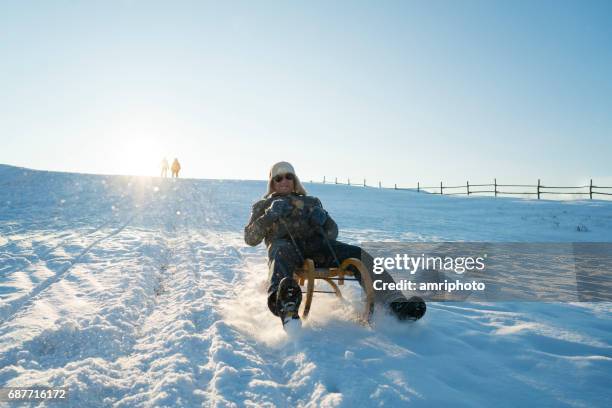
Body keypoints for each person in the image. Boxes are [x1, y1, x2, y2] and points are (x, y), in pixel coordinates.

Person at [244, 161, 426, 326]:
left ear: (294, 179)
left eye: (288, 176)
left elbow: (332, 233)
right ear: (272, 182)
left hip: (319, 248)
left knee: (359, 254)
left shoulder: (311, 201)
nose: (284, 180)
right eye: (278, 177)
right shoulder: (263, 205)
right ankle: (283, 303)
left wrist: (324, 219)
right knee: (280, 250)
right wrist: (269, 215)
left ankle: (395, 302)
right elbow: (250, 239)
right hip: (287, 250)